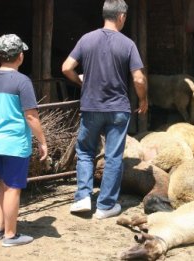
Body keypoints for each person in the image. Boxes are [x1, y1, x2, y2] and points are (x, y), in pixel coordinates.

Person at [62, 0, 148, 219]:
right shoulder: (128, 44)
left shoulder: (86, 39)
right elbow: (138, 78)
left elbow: (66, 68)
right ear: (121, 17)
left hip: (91, 107)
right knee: (113, 156)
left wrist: (82, 81)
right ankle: (105, 206)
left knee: (85, 152)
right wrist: (143, 100)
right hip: (118, 109)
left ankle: (82, 198)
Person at [0, 34, 48, 246]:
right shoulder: (22, 81)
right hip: (14, 143)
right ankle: (10, 235)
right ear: (20, 56)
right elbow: (31, 116)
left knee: (3, 183)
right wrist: (42, 141)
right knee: (13, 187)